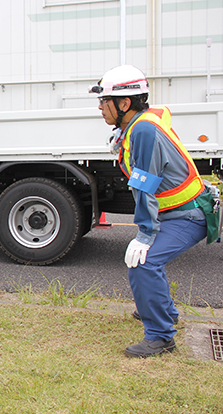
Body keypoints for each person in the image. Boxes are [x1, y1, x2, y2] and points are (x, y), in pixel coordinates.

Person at [90, 65, 211, 358]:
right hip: (179, 211)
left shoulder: (143, 129)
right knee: (144, 263)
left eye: (103, 101)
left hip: (188, 214)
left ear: (124, 103)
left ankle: (160, 336)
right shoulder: (136, 125)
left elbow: (144, 184)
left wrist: (145, 234)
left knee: (143, 262)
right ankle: (164, 313)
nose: (99, 107)